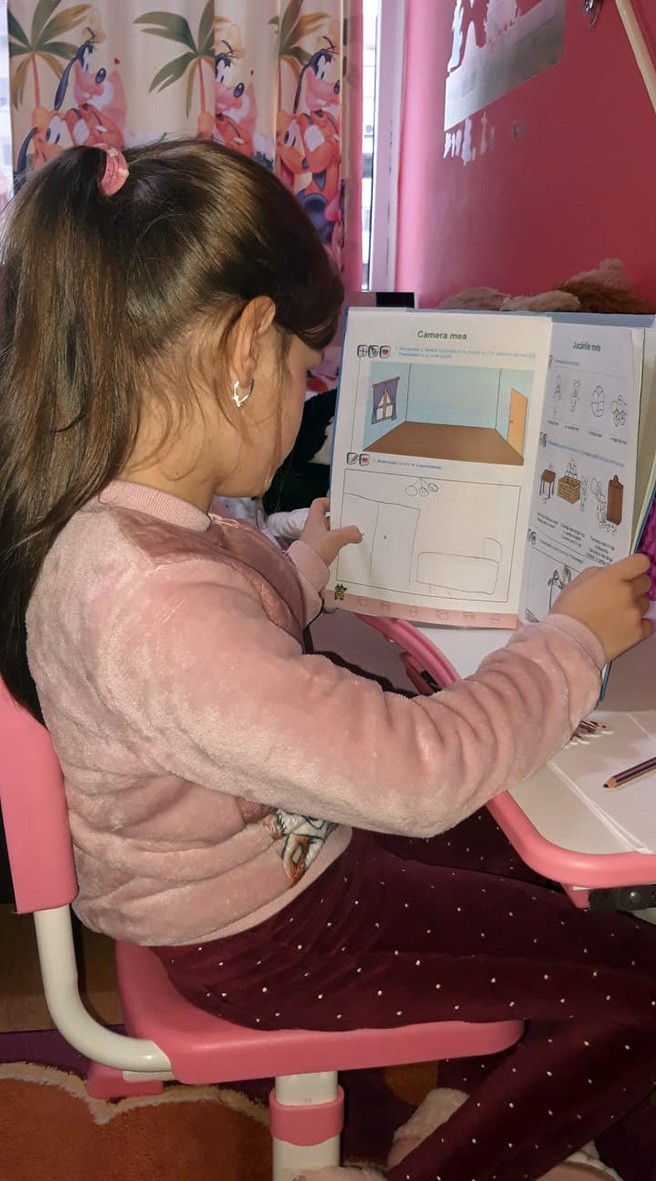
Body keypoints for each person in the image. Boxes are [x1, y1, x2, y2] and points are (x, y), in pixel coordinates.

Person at [0, 140, 654, 1181]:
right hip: (264, 930)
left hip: (256, 866)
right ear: (243, 346)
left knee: (511, 858)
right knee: (636, 978)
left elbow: (233, 622)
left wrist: (307, 563)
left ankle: (457, 1088)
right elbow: (417, 770)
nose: (308, 394)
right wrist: (569, 641)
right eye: (305, 368)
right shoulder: (152, 603)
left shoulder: (128, 526)